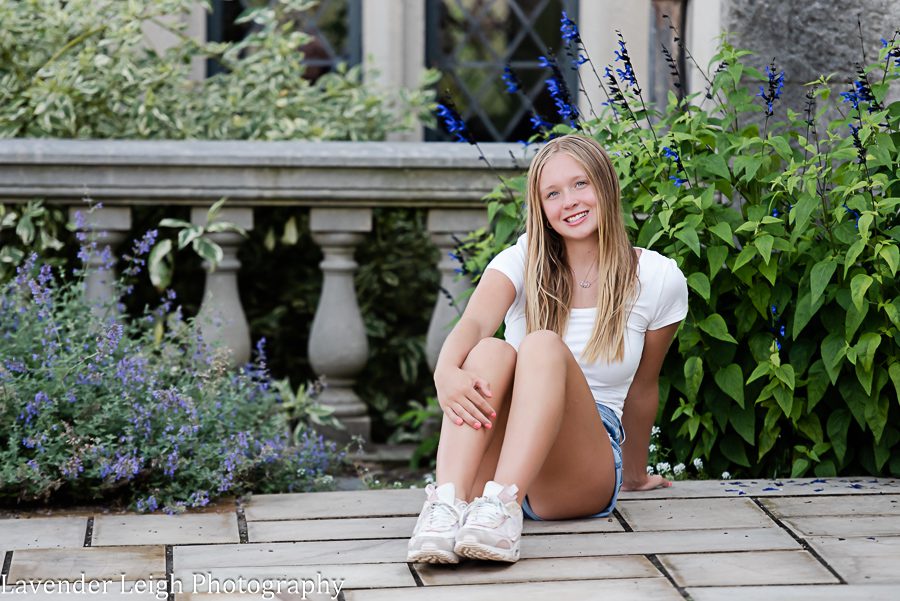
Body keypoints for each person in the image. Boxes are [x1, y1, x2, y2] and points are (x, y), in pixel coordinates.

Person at [407, 134, 688, 564]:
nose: (569, 202)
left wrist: (634, 475)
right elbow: (475, 322)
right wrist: (445, 370)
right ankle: (445, 508)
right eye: (552, 193)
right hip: (501, 464)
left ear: (606, 185)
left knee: (540, 346)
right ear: (540, 207)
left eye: (580, 184)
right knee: (490, 351)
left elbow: (643, 388)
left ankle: (500, 509)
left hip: (581, 470)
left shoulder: (656, 276)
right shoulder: (521, 260)